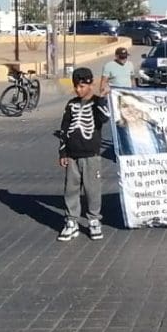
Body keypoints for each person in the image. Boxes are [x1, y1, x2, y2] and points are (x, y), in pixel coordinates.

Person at [56, 67, 111, 241]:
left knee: (92, 189)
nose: (78, 90)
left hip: (91, 155)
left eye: (81, 86)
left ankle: (94, 220)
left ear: (90, 84)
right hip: (72, 155)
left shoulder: (97, 103)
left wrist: (102, 99)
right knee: (70, 189)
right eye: (76, 86)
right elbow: (64, 129)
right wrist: (63, 152)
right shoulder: (71, 105)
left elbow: (105, 118)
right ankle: (71, 222)